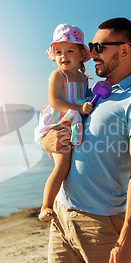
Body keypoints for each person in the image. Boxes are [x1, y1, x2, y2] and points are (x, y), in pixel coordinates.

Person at [41, 18, 131, 263]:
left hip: (99, 222)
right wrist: (45, 142)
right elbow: (61, 130)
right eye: (91, 45)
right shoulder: (90, 92)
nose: (91, 52)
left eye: (99, 46)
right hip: (61, 214)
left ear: (124, 50)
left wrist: (127, 239)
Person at [34, 24, 94, 222]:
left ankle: (70, 200)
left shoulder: (84, 78)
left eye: (69, 50)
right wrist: (79, 108)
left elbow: (85, 101)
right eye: (58, 52)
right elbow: (55, 102)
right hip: (59, 123)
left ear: (80, 54)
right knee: (61, 166)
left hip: (74, 123)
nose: (63, 55)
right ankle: (45, 206)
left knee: (73, 163)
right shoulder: (58, 75)